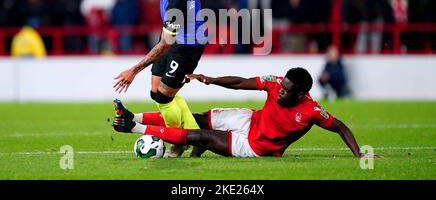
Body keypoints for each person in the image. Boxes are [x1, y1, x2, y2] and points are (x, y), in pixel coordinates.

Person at [112, 0, 240, 157]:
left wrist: (134, 70)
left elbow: (164, 45)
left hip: (186, 46)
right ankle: (188, 137)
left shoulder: (177, 1)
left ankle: (185, 142)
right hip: (175, 40)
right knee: (156, 92)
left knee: (164, 98)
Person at [112, 67, 381, 159]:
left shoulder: (311, 110)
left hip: (255, 145)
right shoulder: (276, 83)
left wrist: (358, 153)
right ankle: (132, 117)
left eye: (287, 91)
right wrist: (211, 79)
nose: (280, 92)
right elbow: (241, 83)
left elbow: (340, 126)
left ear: (300, 94)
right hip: (250, 119)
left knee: (199, 136)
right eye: (282, 86)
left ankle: (132, 128)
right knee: (198, 117)